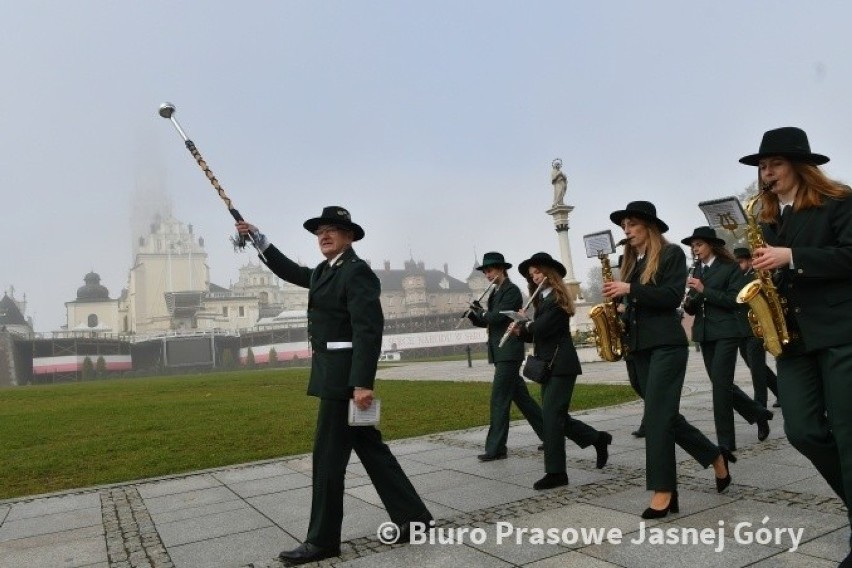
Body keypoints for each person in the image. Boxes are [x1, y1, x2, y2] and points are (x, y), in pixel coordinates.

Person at [236, 206, 432, 565]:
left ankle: (323, 540)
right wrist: (259, 241)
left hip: (343, 383)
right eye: (320, 231)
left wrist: (361, 383)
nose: (324, 235)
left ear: (350, 236)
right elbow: (293, 271)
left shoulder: (356, 273)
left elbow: (367, 330)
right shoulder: (327, 271)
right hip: (333, 375)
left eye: (333, 230)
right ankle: (414, 518)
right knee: (371, 449)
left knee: (327, 459)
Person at [740, 127, 852, 568]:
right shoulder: (767, 217)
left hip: (841, 330)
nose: (766, 173)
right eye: (763, 166)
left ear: (801, 166)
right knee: (803, 430)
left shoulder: (840, 200)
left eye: (775, 164)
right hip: (793, 338)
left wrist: (792, 257)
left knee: (847, 432)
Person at [602, 201, 733, 519]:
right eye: (624, 226)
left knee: (658, 419)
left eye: (632, 224)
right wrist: (620, 307)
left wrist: (629, 289)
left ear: (649, 226)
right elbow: (639, 300)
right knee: (667, 417)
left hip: (666, 346)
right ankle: (716, 457)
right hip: (639, 348)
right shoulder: (631, 261)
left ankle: (664, 490)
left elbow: (671, 296)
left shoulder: (671, 253)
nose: (627, 231)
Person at [509, 252, 613, 490]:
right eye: (532, 274)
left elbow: (543, 329)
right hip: (548, 364)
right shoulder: (542, 299)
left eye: (538, 272)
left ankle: (556, 472)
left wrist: (523, 324)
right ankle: (597, 439)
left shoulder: (556, 298)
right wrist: (522, 326)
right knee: (556, 417)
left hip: (561, 365)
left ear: (549, 273)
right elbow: (535, 331)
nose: (535, 277)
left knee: (552, 419)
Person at [681, 227, 774, 448]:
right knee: (721, 384)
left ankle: (725, 444)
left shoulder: (730, 268)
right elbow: (694, 309)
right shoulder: (695, 271)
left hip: (726, 332)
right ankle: (758, 413)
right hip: (704, 334)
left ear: (711, 245)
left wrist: (703, 290)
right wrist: (689, 301)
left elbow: (734, 300)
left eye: (699, 245)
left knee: (720, 389)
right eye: (693, 246)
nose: (696, 249)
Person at [466, 252, 546, 461]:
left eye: (490, 271)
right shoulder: (495, 293)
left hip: (509, 352)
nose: (487, 275)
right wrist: (475, 315)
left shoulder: (511, 291)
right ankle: (550, 435)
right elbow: (488, 321)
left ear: (501, 269)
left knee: (499, 399)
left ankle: (496, 448)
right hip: (500, 351)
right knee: (522, 399)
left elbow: (499, 317)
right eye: (485, 272)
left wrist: (482, 313)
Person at [732, 247, 780, 409]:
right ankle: (781, 392)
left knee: (757, 371)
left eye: (740, 262)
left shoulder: (756, 275)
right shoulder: (736, 276)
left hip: (755, 328)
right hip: (740, 329)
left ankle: (760, 407)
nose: (738, 266)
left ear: (750, 261)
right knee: (755, 366)